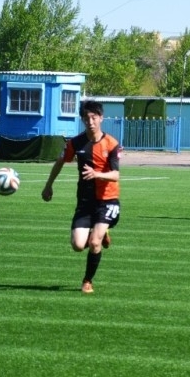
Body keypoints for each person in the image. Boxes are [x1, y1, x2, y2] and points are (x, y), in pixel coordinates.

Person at [42, 100, 121, 294]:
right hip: (85, 201)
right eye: (86, 118)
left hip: (107, 200)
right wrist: (48, 185)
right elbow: (60, 161)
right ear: (82, 120)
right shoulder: (75, 143)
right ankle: (100, 233)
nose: (90, 122)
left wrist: (97, 174)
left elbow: (115, 175)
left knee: (94, 243)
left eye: (94, 118)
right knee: (78, 245)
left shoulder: (111, 144)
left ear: (101, 118)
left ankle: (87, 280)